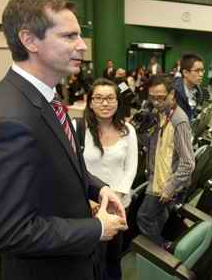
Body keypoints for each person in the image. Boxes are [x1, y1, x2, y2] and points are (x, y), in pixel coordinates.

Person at [0, 0, 128, 280]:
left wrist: (98, 188)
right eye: (69, 36)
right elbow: (10, 231)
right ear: (29, 41)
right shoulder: (9, 119)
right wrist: (97, 228)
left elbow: (60, 161)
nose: (81, 46)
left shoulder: (45, 98)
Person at [77, 78, 138, 280]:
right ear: (90, 102)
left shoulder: (128, 131)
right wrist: (90, 200)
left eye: (110, 98)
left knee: (113, 258)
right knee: (90, 260)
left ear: (118, 101)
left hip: (118, 206)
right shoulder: (79, 130)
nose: (105, 103)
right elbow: (76, 169)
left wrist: (115, 199)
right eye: (99, 98)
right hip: (89, 207)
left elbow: (131, 168)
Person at [136, 74, 195, 249]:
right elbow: (156, 145)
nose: (155, 102)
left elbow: (188, 163)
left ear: (172, 95)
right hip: (158, 177)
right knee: (159, 215)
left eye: (160, 98)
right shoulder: (162, 113)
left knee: (144, 217)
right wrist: (140, 131)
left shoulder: (179, 121)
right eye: (152, 98)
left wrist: (171, 187)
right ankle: (157, 249)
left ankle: (162, 249)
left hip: (166, 183)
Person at [174, 53, 205, 121]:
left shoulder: (198, 91)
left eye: (202, 70)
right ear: (185, 73)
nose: (201, 74)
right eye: (197, 71)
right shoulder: (174, 92)